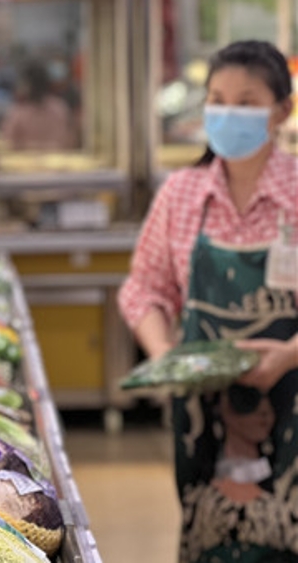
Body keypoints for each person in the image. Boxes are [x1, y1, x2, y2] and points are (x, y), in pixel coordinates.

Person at [118, 40, 298, 563]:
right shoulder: (182, 194)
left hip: (292, 397)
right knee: (211, 535)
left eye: (246, 102)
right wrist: (163, 355)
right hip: (203, 414)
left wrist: (288, 356)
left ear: (282, 110)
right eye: (218, 101)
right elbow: (145, 288)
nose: (228, 114)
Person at [0, 61, 77, 151]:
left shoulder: (19, 112)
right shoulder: (60, 108)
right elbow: (71, 140)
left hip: (26, 158)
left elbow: (8, 142)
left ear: (27, 86)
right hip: (58, 157)